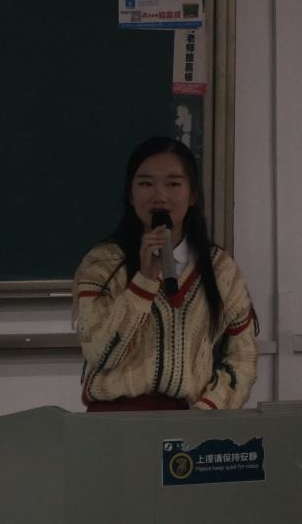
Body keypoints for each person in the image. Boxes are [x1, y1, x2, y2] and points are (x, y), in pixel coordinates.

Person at [72, 137, 257, 411]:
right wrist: (144, 281)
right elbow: (100, 353)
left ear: (192, 195)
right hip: (114, 420)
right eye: (146, 184)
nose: (159, 196)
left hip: (189, 421)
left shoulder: (220, 269)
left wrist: (207, 411)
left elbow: (242, 358)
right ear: (130, 194)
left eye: (173, 184)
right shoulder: (102, 263)